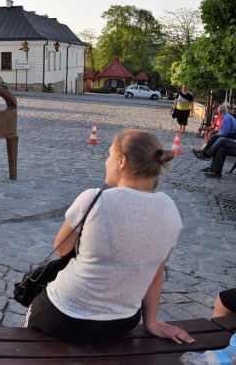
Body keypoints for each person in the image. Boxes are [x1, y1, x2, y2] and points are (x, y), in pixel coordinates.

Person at [26, 129, 195, 345]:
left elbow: (62, 248)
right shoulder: (171, 209)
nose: (106, 162)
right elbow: (156, 273)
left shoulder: (94, 199)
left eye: (108, 155)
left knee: (36, 312)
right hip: (123, 320)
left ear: (121, 161)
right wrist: (151, 322)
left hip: (65, 314)